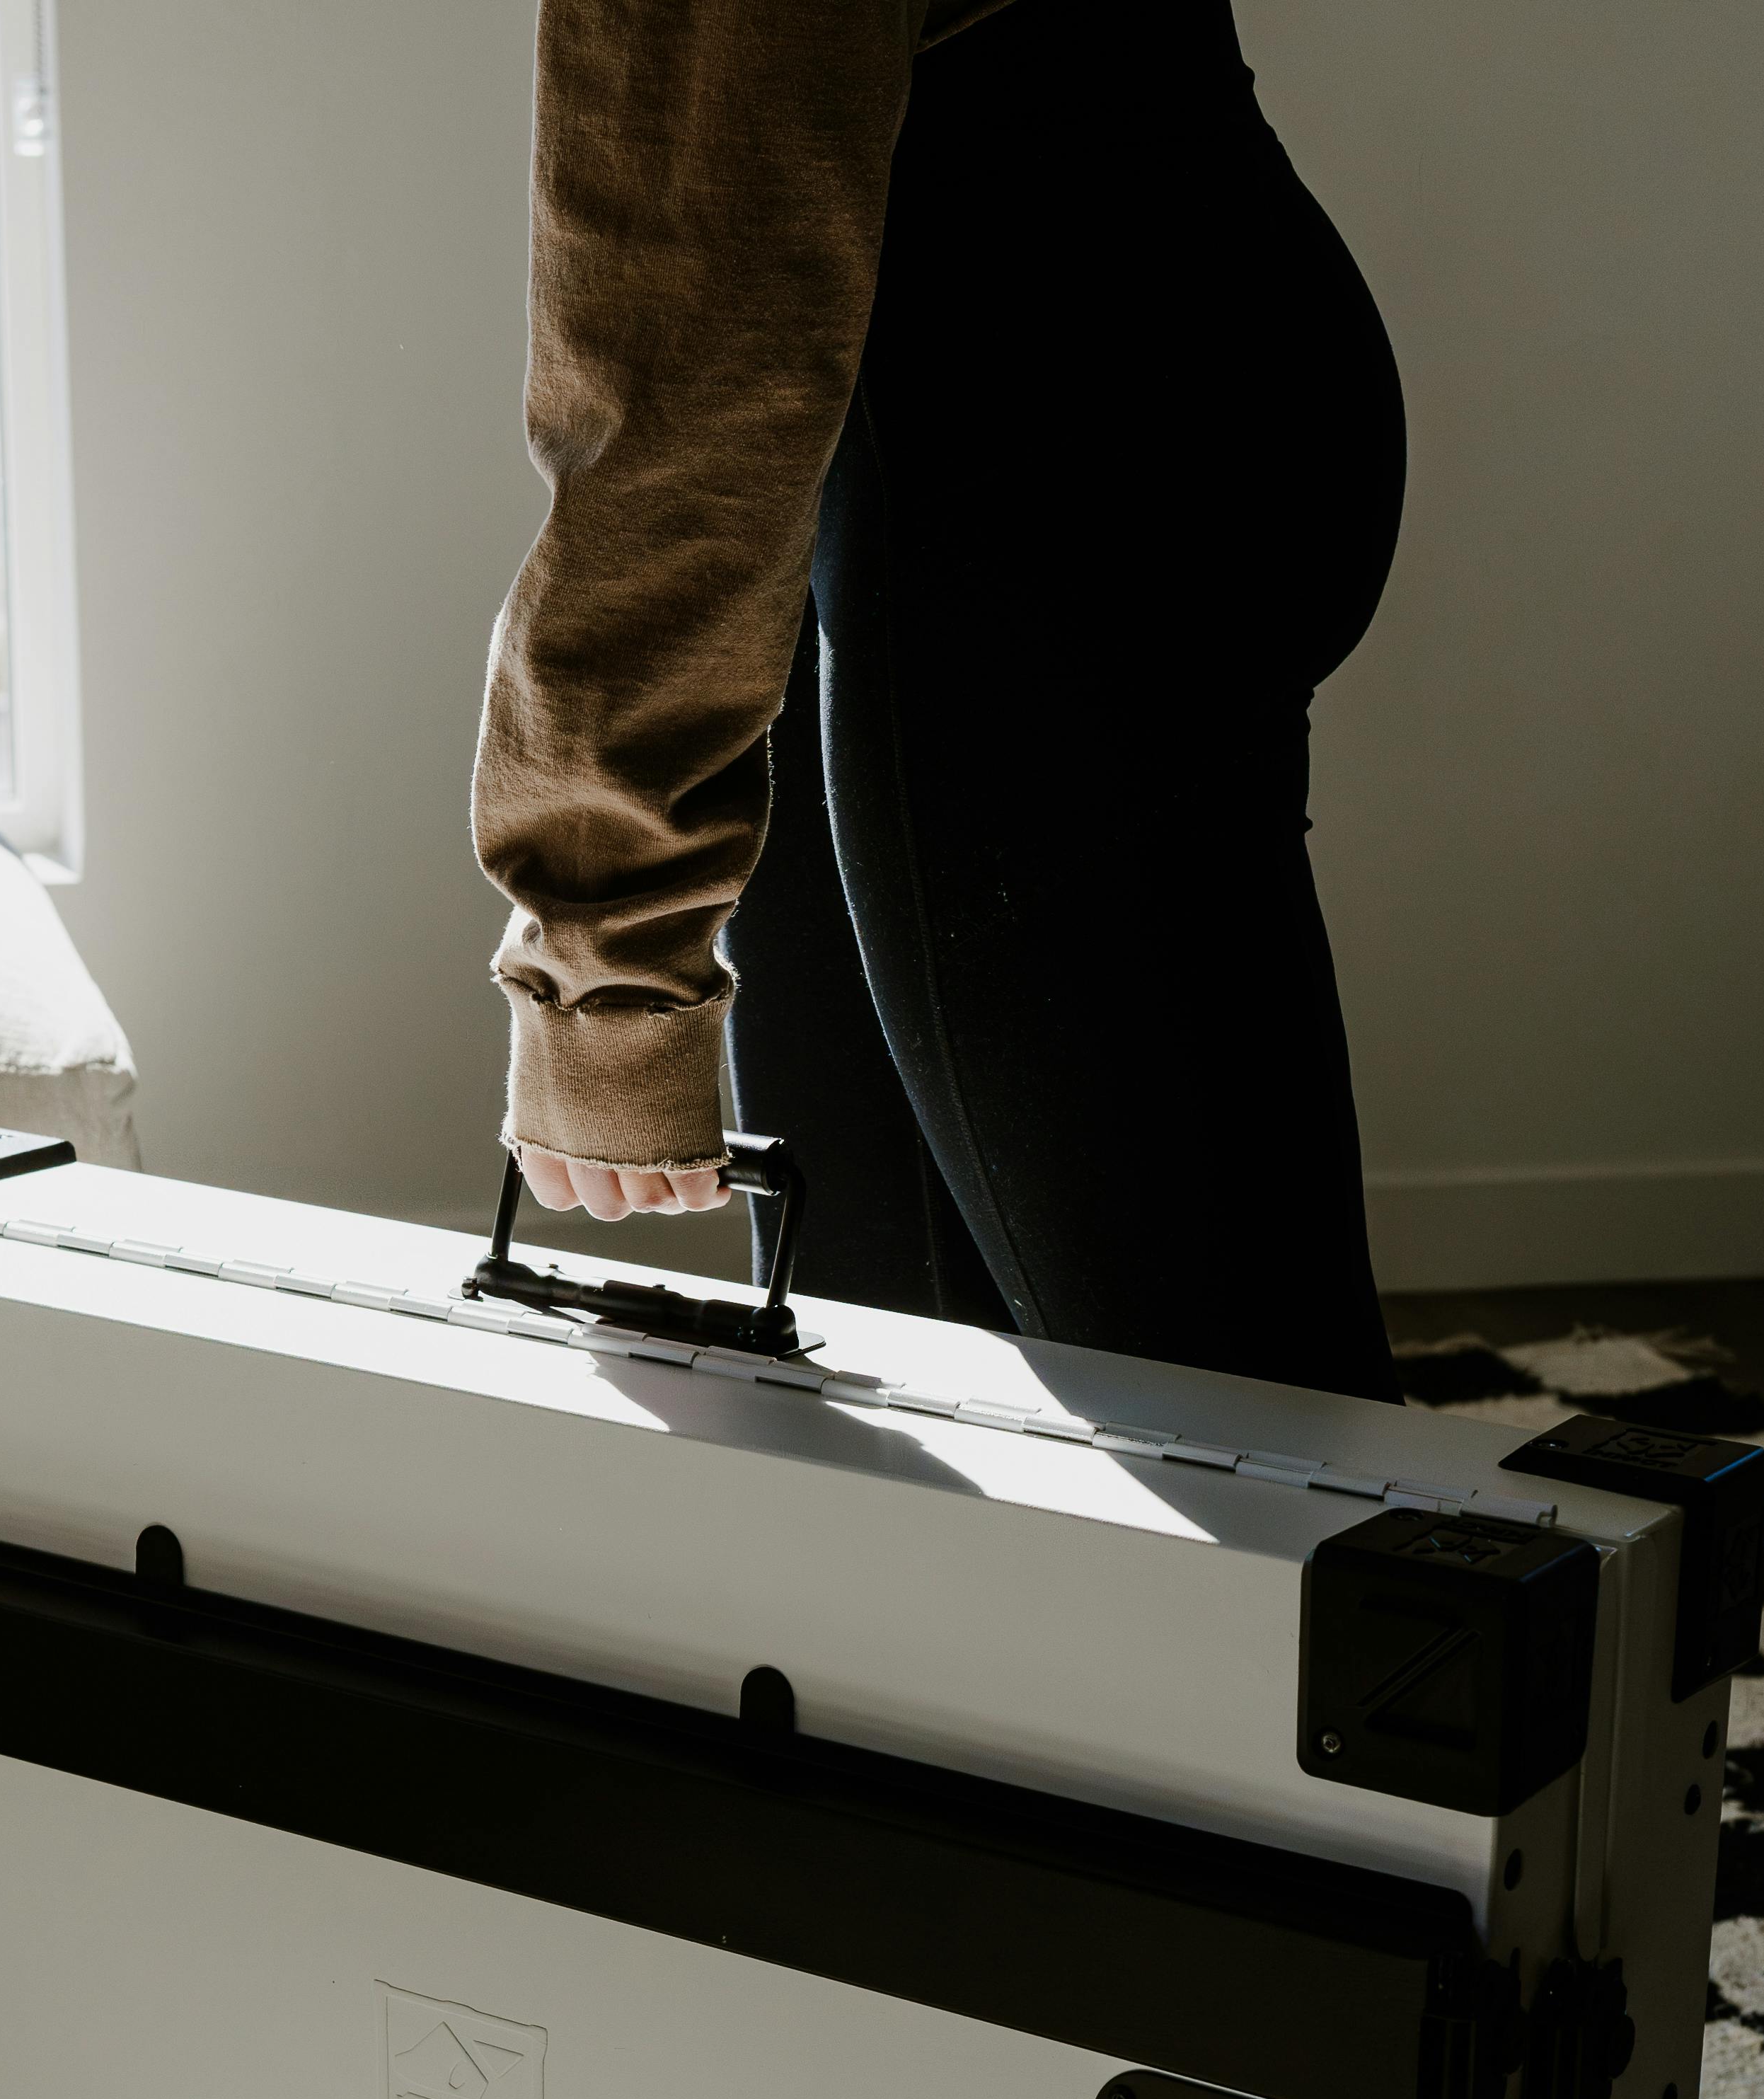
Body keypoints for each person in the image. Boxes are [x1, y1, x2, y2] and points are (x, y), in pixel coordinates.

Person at [473, 0, 1412, 1405]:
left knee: (1236, 1436)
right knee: (940, 1369)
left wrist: (604, 951)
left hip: (1032, 469)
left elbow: (693, 330)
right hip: (1147, 347)